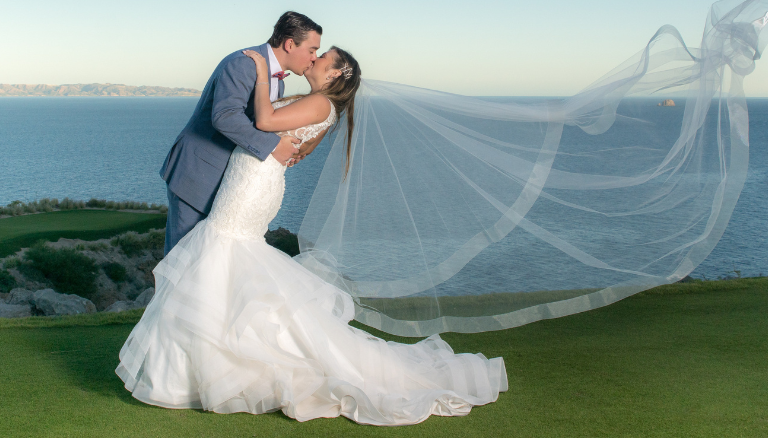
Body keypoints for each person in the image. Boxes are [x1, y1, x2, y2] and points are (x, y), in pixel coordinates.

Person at [116, 43, 509, 426]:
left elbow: (267, 122)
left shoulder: (322, 104)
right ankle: (201, 364)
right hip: (252, 178)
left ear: (336, 73)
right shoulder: (324, 106)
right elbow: (293, 145)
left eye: (324, 58)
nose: (316, 60)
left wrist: (260, 76)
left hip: (251, 185)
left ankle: (206, 365)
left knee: (224, 248)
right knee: (226, 256)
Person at [158, 11, 323, 257]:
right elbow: (225, 116)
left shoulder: (278, 81)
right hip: (197, 176)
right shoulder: (243, 63)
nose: (314, 58)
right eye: (312, 50)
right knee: (182, 261)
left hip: (226, 182)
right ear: (290, 44)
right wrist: (273, 146)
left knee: (208, 263)